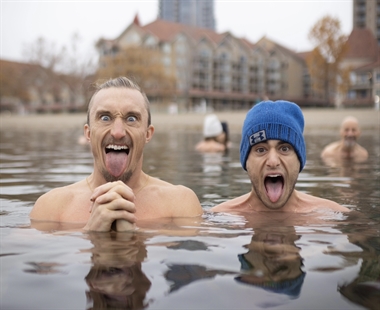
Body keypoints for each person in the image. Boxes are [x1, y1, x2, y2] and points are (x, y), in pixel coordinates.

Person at [30, 77, 202, 231]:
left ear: (148, 134)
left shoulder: (180, 203)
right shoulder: (51, 207)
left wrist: (134, 239)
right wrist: (90, 233)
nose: (118, 132)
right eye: (105, 118)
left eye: (131, 118)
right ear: (88, 133)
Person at [211, 100, 350, 214]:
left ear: (299, 160)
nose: (273, 161)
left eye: (284, 149)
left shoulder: (331, 216)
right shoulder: (220, 219)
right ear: (246, 161)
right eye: (260, 150)